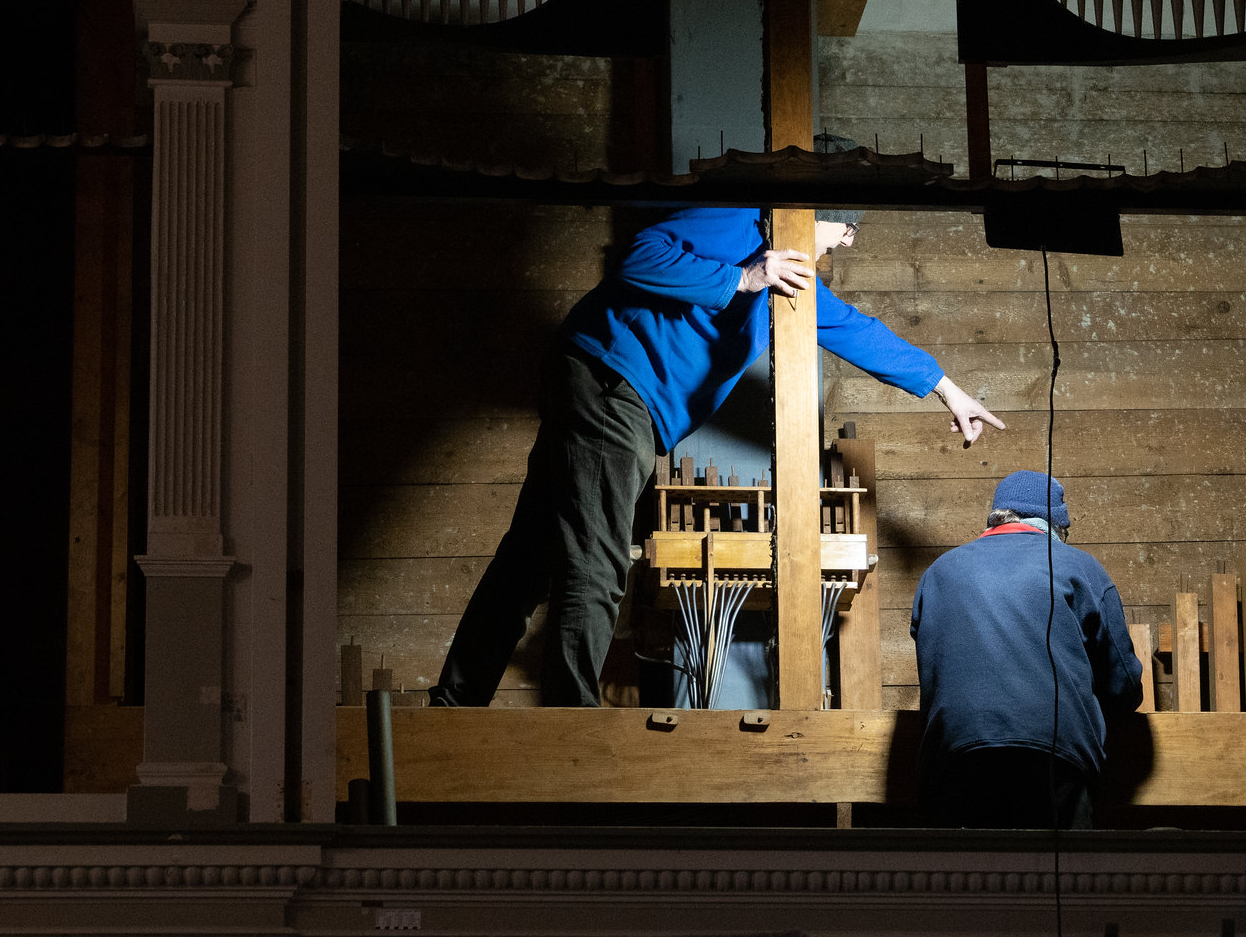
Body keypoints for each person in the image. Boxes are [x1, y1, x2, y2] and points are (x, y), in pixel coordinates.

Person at [429, 205, 1004, 707]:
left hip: (616, 392)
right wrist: (745, 276)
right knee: (597, 560)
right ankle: (569, 720)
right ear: (806, 216)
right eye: (845, 225)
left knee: (532, 554)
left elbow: (857, 330)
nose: (847, 240)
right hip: (614, 379)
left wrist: (947, 390)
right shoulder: (742, 226)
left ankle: (456, 700)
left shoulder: (792, 282)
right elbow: (640, 255)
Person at [909, 470, 1144, 829]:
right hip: (1053, 757)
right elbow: (1123, 685)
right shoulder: (1077, 566)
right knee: (1058, 880)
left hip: (953, 758)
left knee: (964, 879)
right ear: (1055, 525)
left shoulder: (939, 571)